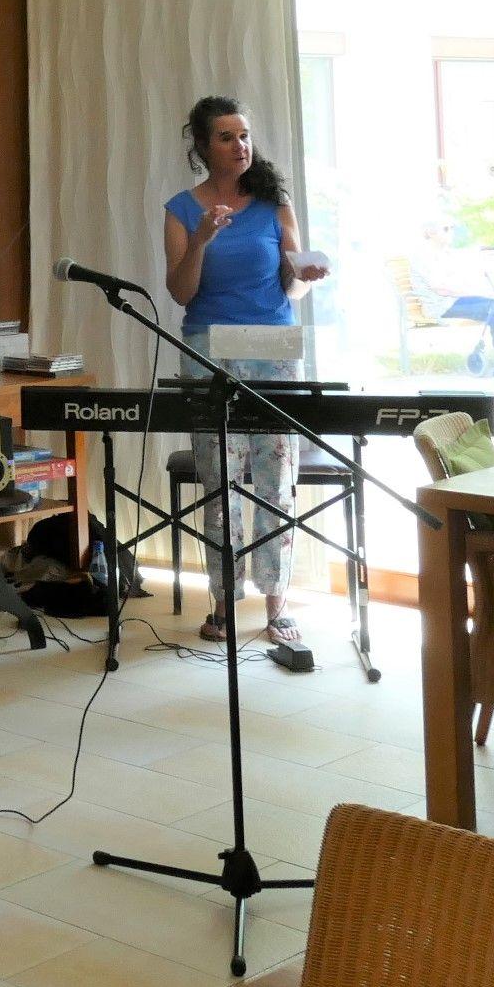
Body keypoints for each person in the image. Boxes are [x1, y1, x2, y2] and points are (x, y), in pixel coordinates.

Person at [161, 95, 329, 645]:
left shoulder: (274, 203)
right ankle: (223, 600)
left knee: (275, 475)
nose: (241, 146)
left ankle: (277, 601)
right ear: (203, 146)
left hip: (274, 345)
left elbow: (292, 284)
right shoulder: (182, 209)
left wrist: (305, 274)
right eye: (227, 137)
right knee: (220, 478)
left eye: (245, 136)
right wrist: (201, 241)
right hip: (208, 348)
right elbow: (181, 291)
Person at [404, 217, 494, 378]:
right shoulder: (422, 256)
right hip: (442, 306)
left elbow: (464, 279)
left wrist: (481, 288)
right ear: (430, 232)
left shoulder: (448, 254)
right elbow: (440, 288)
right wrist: (476, 291)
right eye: (446, 228)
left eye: (452, 228)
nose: (451, 232)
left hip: (459, 300)